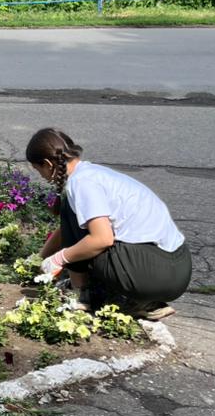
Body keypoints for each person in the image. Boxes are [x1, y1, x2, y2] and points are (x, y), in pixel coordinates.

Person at [27, 128, 190, 319]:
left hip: (154, 275)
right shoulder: (93, 173)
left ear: (48, 164)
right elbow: (67, 230)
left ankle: (82, 294)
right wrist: (38, 259)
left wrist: (60, 258)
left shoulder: (81, 184)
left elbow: (102, 239)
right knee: (78, 225)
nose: (41, 176)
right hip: (178, 270)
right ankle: (143, 299)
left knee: (91, 243)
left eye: (39, 170)